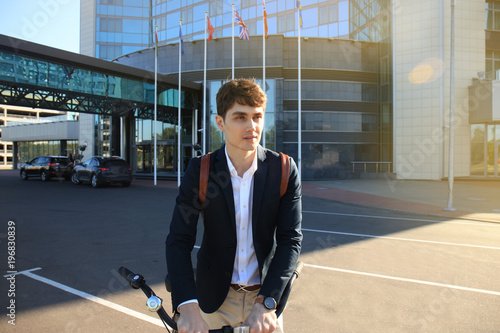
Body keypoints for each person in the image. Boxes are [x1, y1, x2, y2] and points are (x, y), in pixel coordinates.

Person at [165, 78, 302, 333]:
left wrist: (267, 303)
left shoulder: (283, 170)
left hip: (263, 299)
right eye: (240, 117)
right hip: (213, 300)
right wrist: (187, 305)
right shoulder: (201, 170)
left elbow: (290, 240)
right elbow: (178, 240)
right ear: (220, 123)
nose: (252, 126)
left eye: (257, 116)